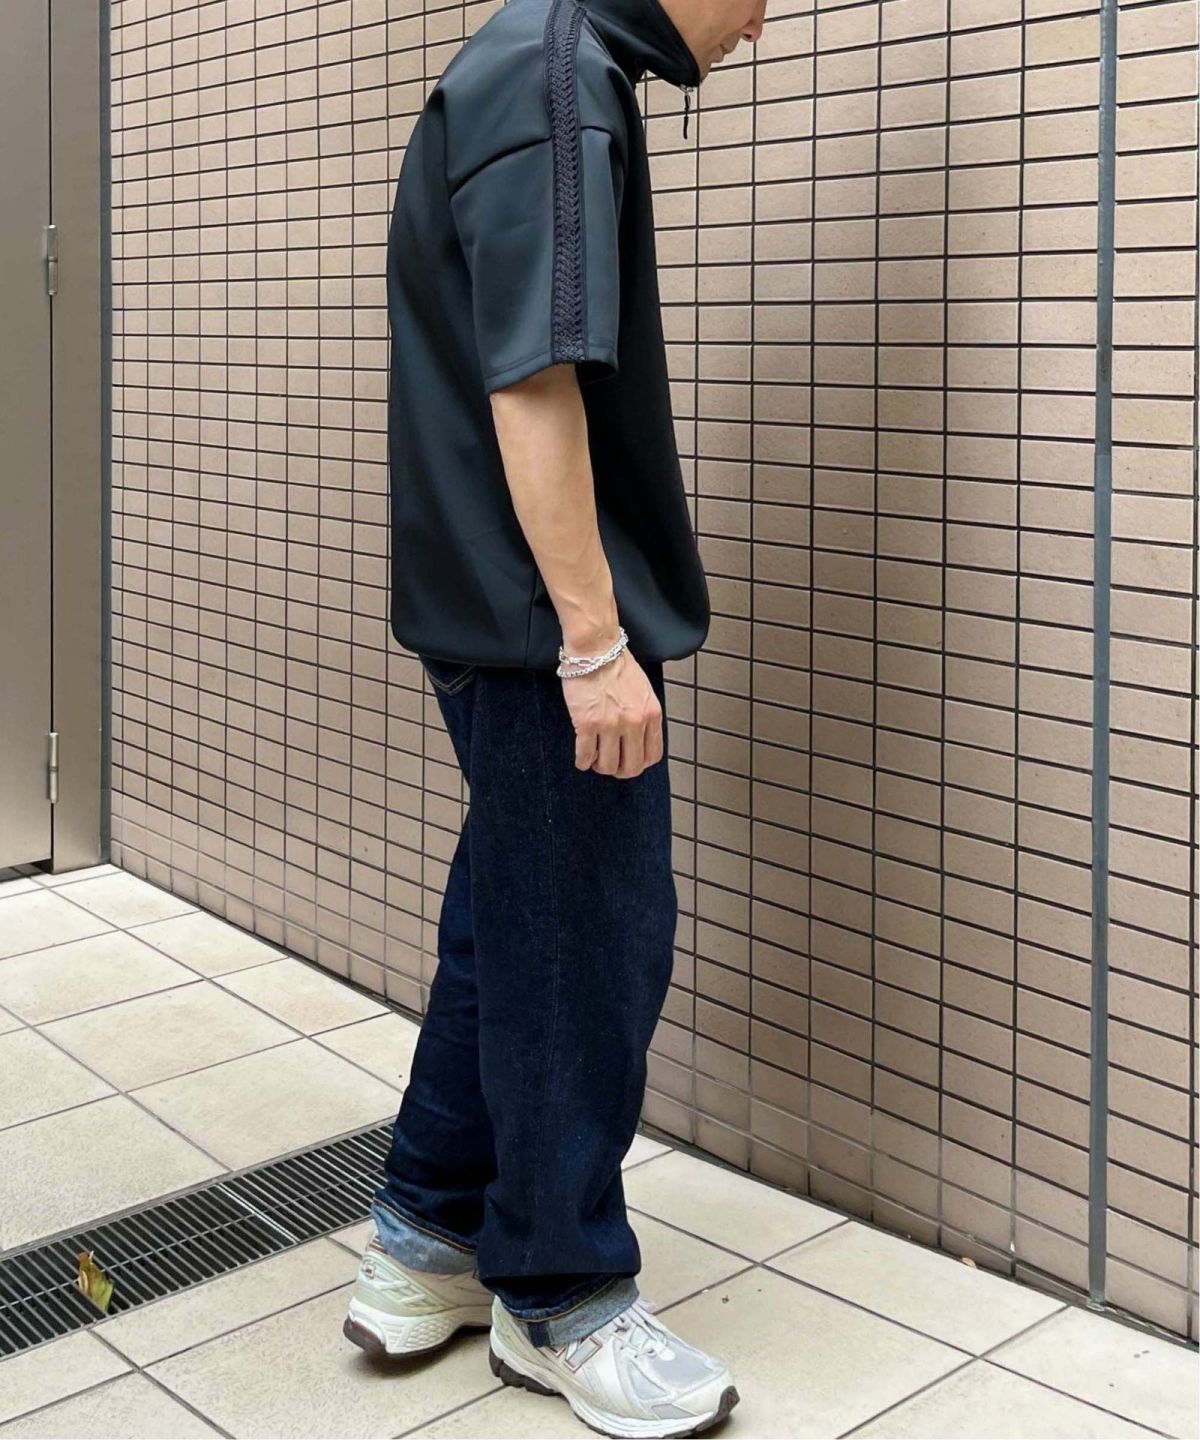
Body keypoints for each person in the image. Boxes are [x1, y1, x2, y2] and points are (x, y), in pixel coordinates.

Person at [345, 0, 767, 1434]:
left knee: (511, 927)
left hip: (495, 609)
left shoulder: (529, 59)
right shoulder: (556, 81)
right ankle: (559, 1292)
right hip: (544, 633)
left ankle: (427, 1240)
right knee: (586, 945)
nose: (760, 26)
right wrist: (595, 645)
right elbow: (531, 380)